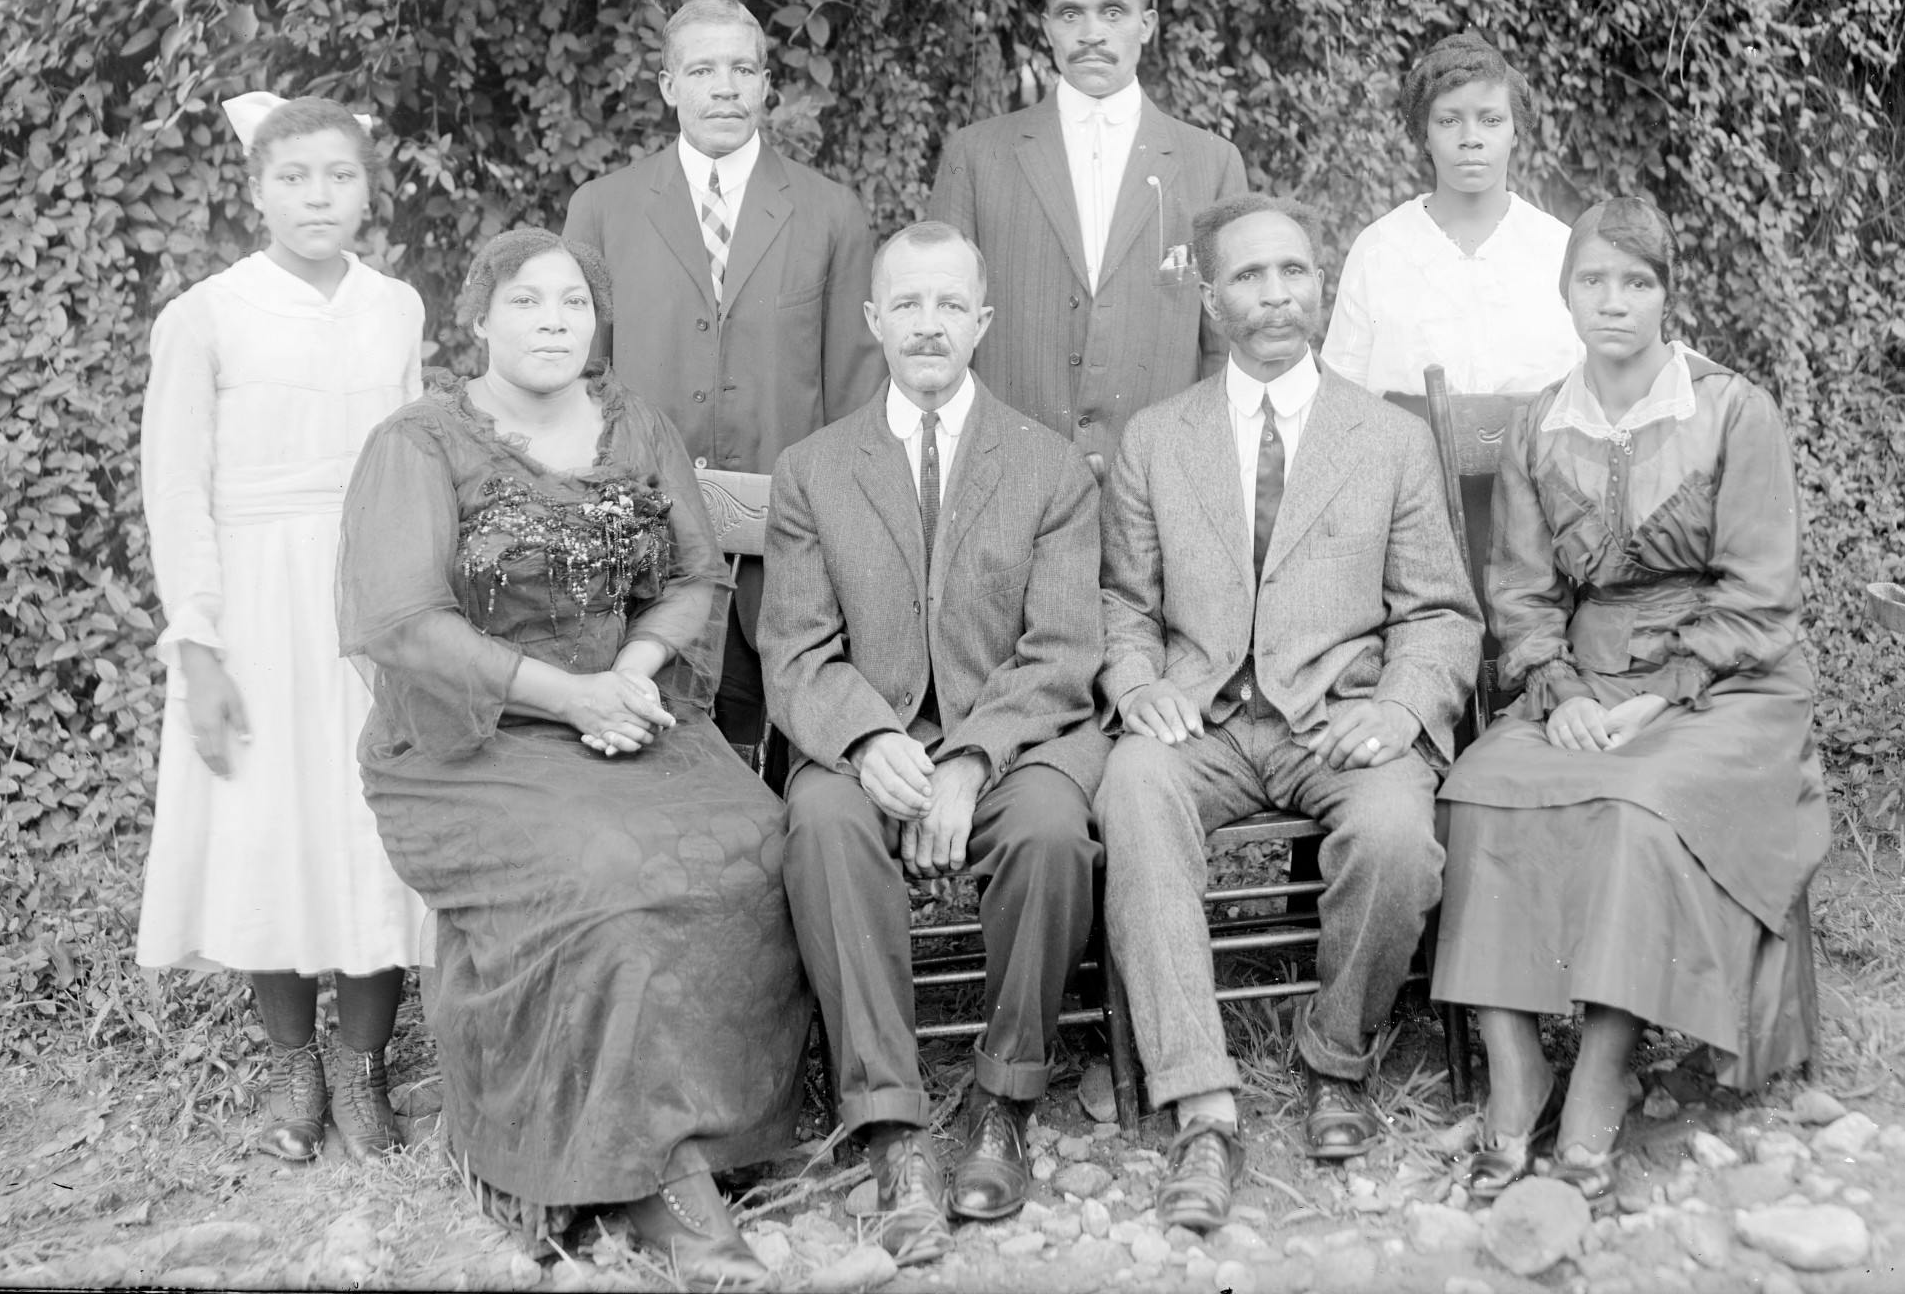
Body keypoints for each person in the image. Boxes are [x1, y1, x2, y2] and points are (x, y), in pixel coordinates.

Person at [337, 229, 807, 1289]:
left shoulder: (635, 423)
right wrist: (567, 693)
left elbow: (693, 576)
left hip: (627, 713)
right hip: (471, 742)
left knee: (759, 842)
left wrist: (632, 672)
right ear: (479, 319)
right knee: (606, 876)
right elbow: (407, 623)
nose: (553, 322)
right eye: (527, 302)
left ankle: (724, 1131)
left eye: (573, 304)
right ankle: (646, 1175)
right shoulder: (419, 444)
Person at [1096, 194, 1481, 1232]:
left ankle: (1333, 1054)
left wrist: (1402, 707)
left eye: (1293, 272)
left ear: (1317, 284)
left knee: (1400, 833)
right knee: (1130, 791)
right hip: (1204, 721)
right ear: (1210, 297)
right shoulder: (1155, 438)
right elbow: (1121, 605)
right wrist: (1135, 683)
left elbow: (1440, 613)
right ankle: (1200, 1098)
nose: (1275, 295)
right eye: (1250, 277)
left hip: (1341, 716)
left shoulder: (1387, 438)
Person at [1433, 197, 1826, 1203]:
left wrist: (1655, 697)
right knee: (1480, 787)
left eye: (1635, 282)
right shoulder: (1539, 422)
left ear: (1664, 294)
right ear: (1564, 294)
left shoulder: (1732, 409)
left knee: (1636, 804)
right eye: (1592, 281)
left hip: (1722, 681)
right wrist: (1556, 686)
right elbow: (1518, 593)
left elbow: (1759, 594)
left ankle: (1600, 1074)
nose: (1613, 302)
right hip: (1582, 676)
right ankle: (1514, 1065)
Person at [760, 221, 1110, 1267]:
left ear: (982, 322)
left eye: (949, 304)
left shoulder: (1048, 467)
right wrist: (866, 736)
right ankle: (892, 1120)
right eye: (905, 304)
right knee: (819, 819)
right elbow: (794, 650)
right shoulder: (813, 469)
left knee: (1051, 831)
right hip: (870, 742)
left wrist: (967, 759)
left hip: (1007, 742)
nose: (927, 324)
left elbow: (1060, 651)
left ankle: (1004, 1096)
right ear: (872, 321)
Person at [137, 92, 426, 1165]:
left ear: (365, 190)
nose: (318, 197)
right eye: (294, 177)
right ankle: (291, 1066)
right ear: (254, 191)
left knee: (367, 819)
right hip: (254, 600)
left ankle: (363, 1066)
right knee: (268, 824)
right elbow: (177, 488)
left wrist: (418, 610)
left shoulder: (394, 307)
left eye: (337, 177)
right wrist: (197, 643)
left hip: (370, 594)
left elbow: (413, 465)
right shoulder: (206, 314)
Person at [564, 0, 883, 752]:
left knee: (774, 762)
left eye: (743, 69)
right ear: (669, 84)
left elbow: (856, 391)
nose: (725, 87)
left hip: (787, 556)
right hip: (642, 554)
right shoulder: (602, 209)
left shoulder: (832, 213)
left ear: (768, 82)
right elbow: (580, 384)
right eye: (702, 69)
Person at [927, 0, 1248, 475]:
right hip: (1005, 478)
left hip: (1160, 481)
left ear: (1146, 24)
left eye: (1113, 12)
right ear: (1047, 26)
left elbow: (1224, 344)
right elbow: (941, 328)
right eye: (1071, 13)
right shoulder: (976, 155)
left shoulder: (1211, 163)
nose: (1092, 33)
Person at [1322, 29, 1578, 399]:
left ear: (1516, 131)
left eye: (1491, 120)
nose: (1470, 137)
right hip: (1402, 456)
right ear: (1424, 134)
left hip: (1535, 456)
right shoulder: (1379, 249)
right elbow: (1340, 400)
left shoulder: (1559, 248)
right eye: (1448, 120)